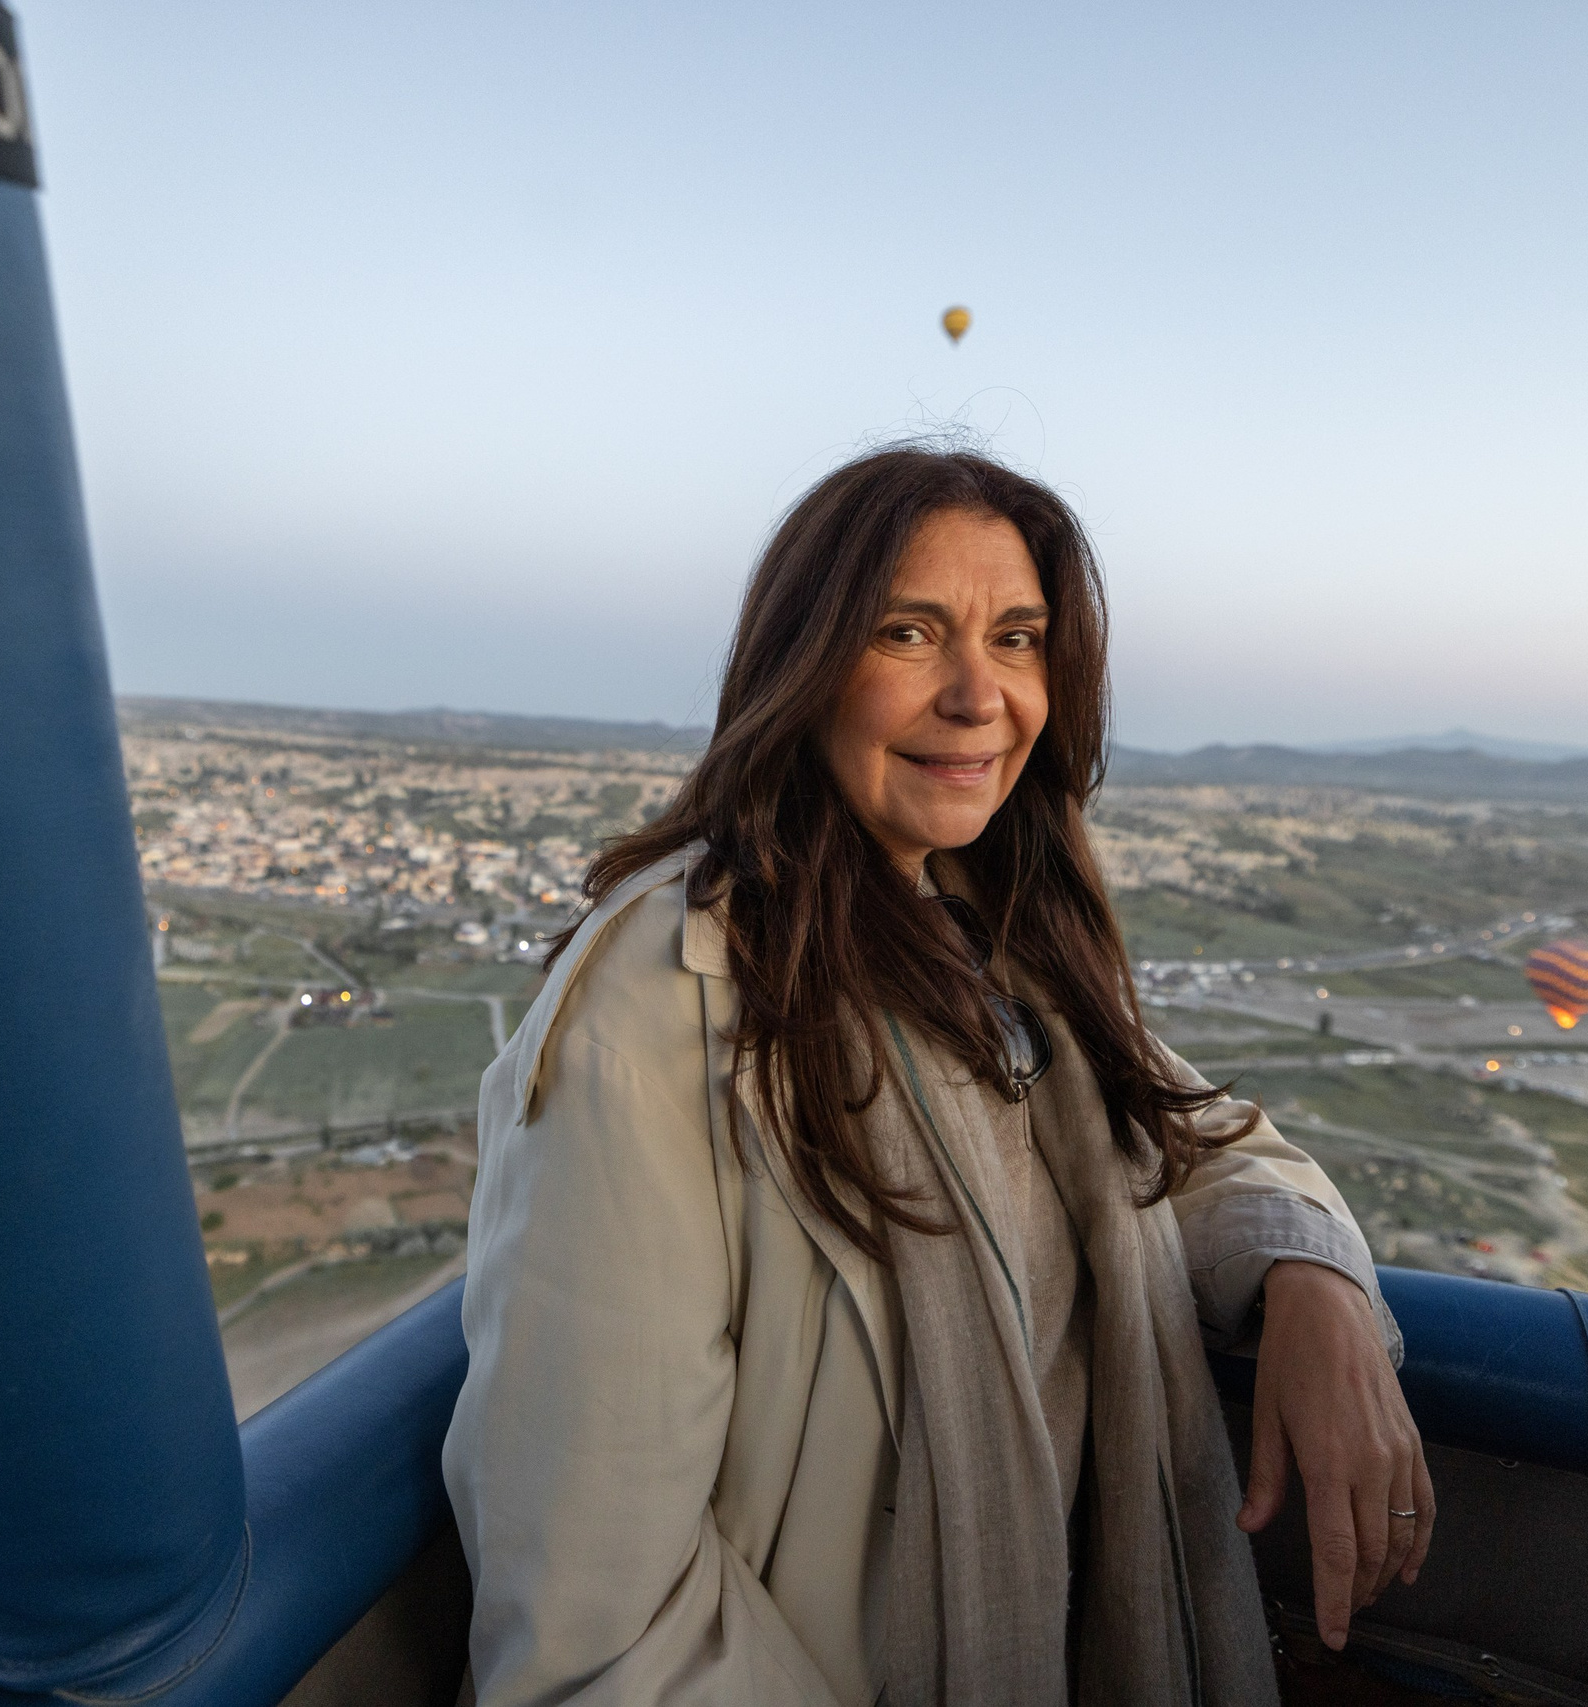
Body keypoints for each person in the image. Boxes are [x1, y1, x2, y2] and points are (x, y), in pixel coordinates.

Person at [445, 446, 1429, 1706]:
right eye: (910, 633)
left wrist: (1313, 1284)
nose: (980, 695)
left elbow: (1191, 1142)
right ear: (800, 667)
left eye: (1017, 639)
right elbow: (604, 1628)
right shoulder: (663, 998)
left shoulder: (989, 938)